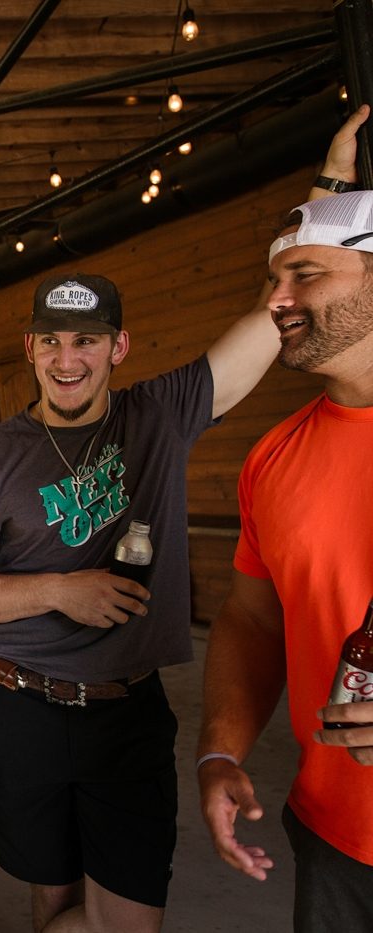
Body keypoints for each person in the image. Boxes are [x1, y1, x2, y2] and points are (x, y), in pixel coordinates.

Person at [0, 110, 365, 933]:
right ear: (30, 349)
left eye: (86, 341)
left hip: (126, 709)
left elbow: (272, 316)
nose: (68, 358)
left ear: (119, 346)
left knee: (128, 919)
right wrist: (60, 589)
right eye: (51, 341)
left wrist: (330, 189)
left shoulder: (161, 413)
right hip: (19, 704)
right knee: (52, 895)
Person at [198, 107, 373, 933]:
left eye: (305, 274)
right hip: (332, 839)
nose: (277, 300)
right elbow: (253, 619)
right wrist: (220, 748)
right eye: (275, 280)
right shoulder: (274, 457)